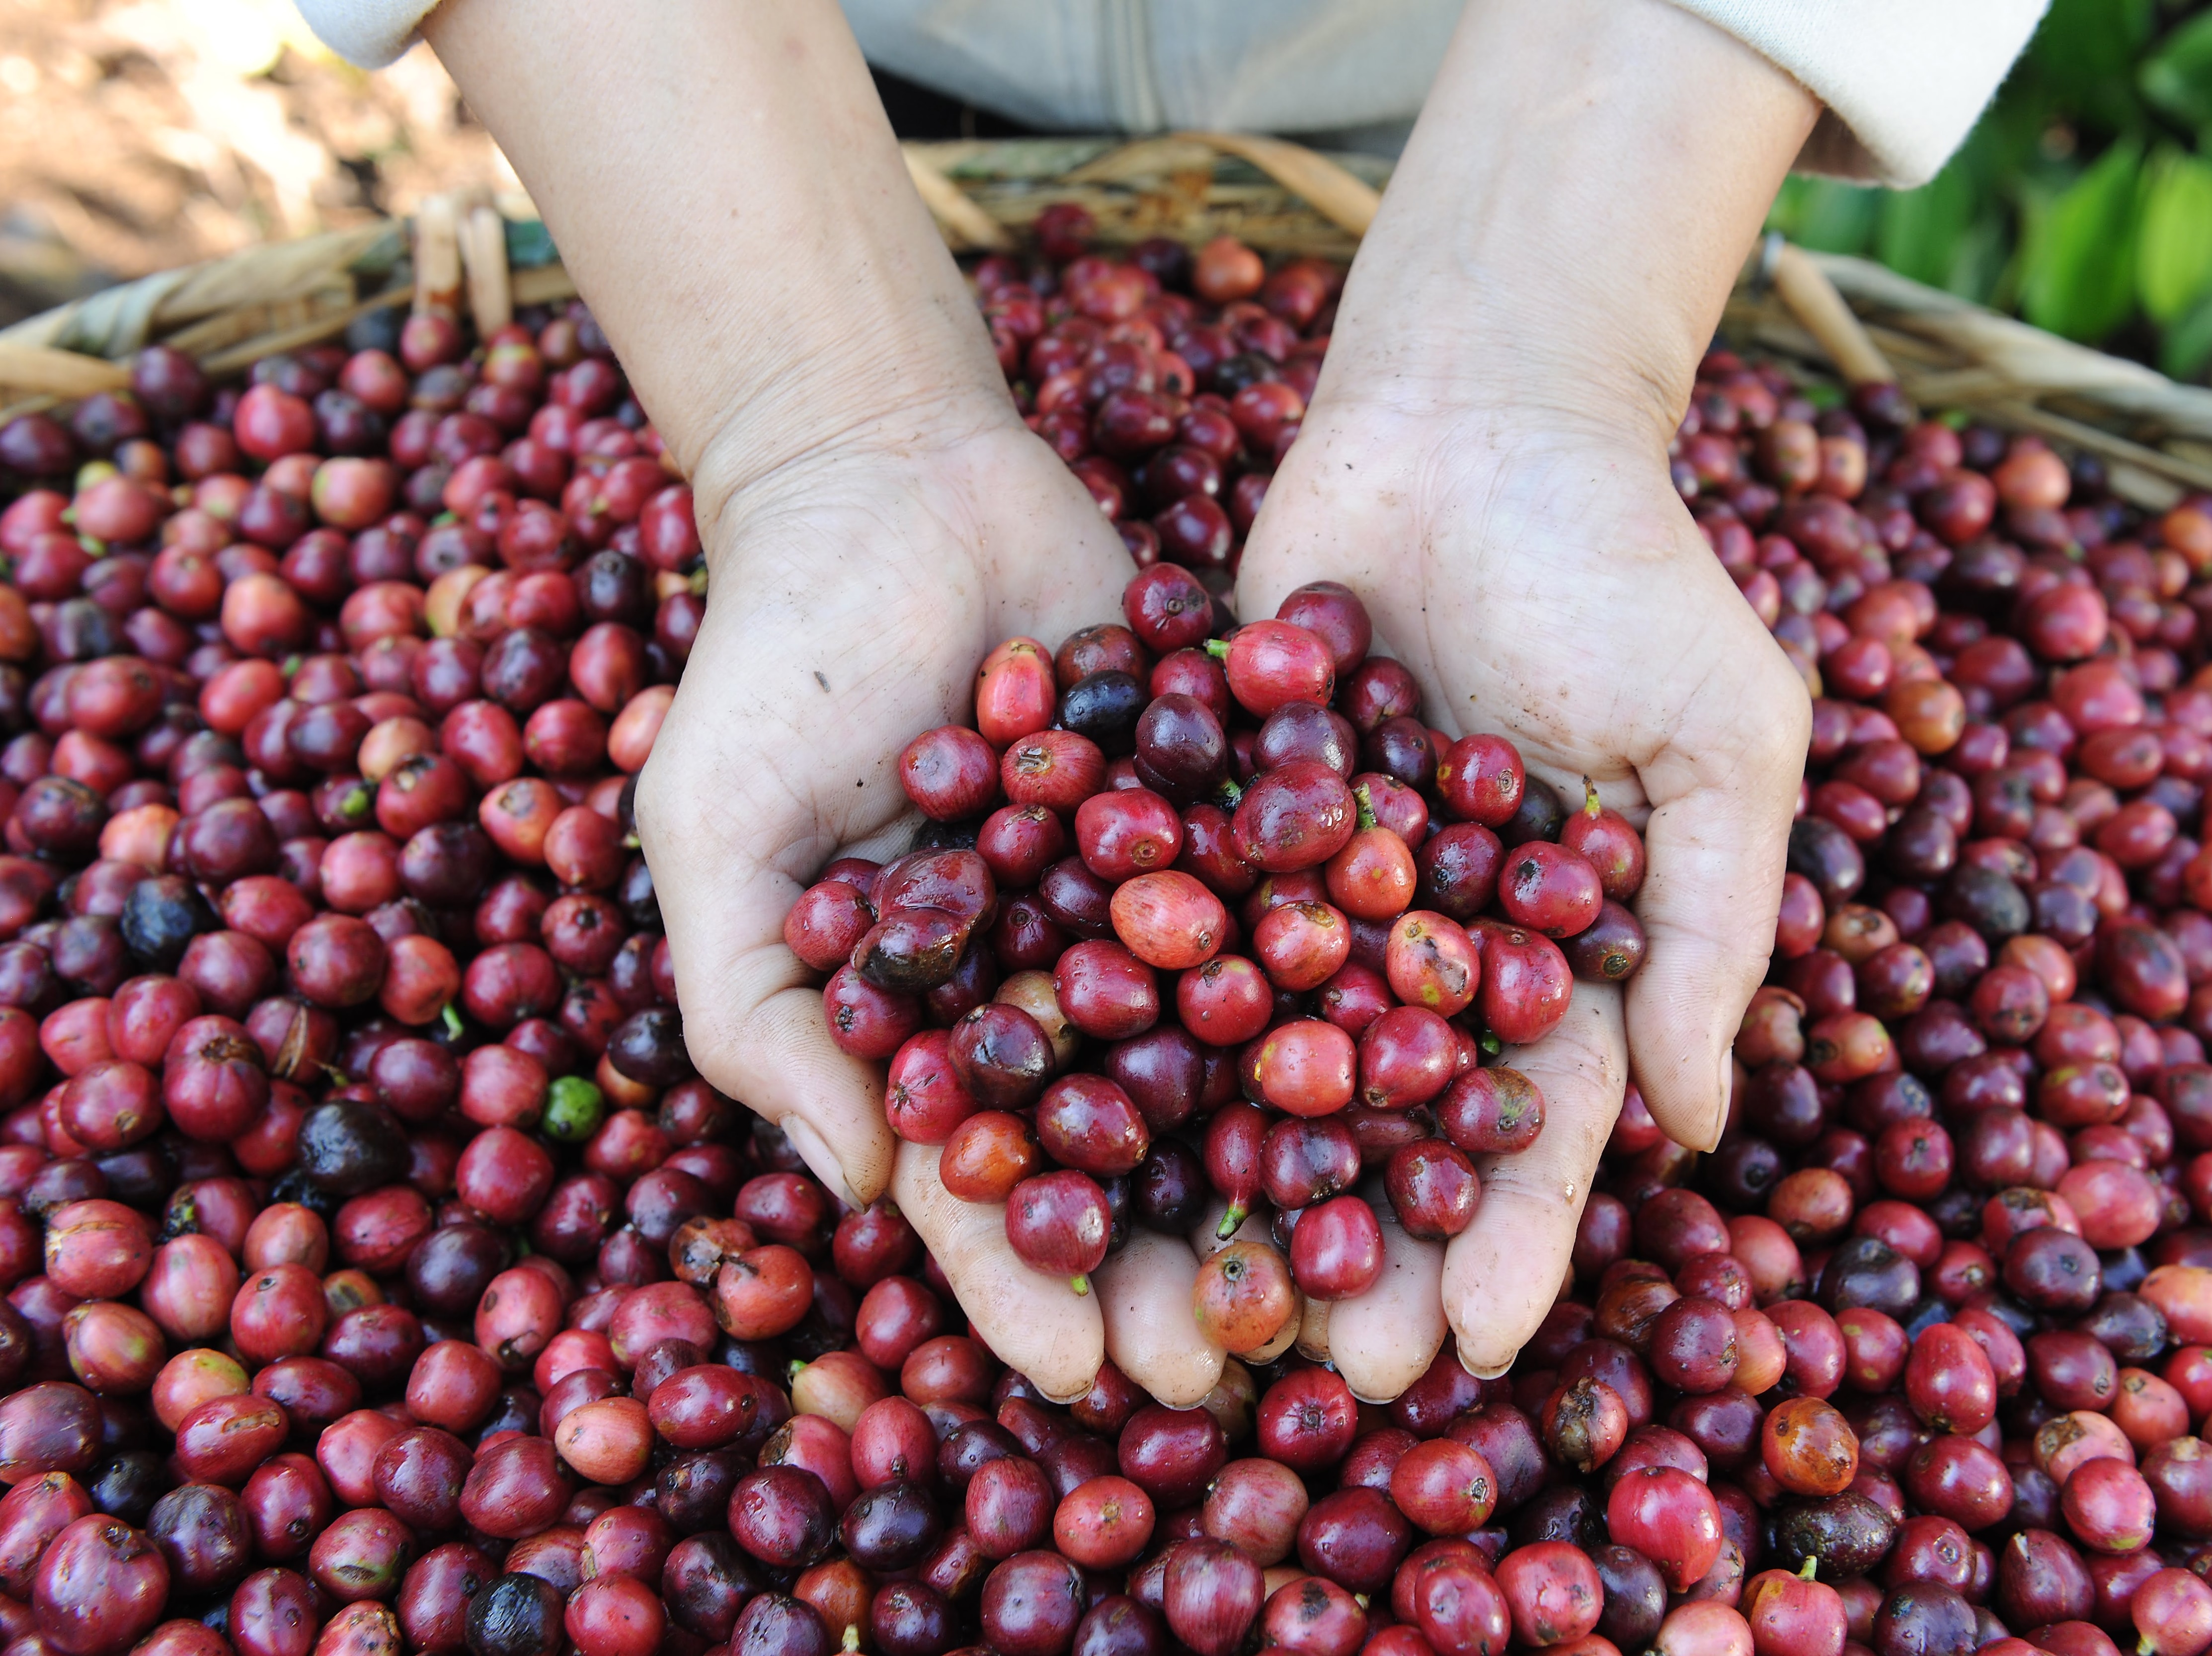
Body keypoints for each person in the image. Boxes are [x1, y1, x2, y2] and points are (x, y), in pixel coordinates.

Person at [296, 0, 2045, 1405]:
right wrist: (812, 418)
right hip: (718, 135)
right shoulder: (1187, 896)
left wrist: (1540, 359)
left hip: (1554, 98)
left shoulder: (1271, 882)